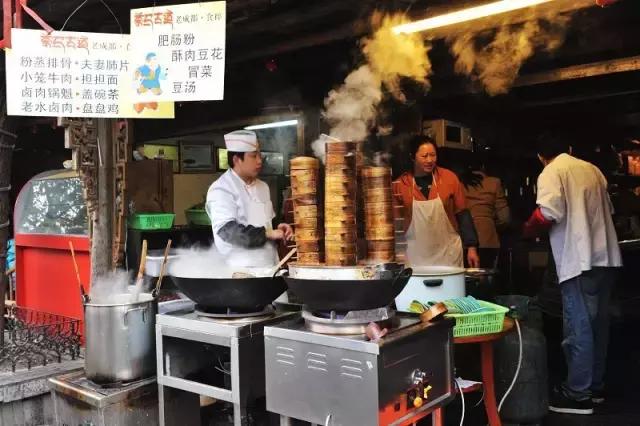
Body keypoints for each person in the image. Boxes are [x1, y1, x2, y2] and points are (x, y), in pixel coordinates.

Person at [523, 134, 622, 415]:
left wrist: (528, 230)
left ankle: (578, 393)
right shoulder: (592, 169)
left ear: (541, 157)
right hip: (606, 258)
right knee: (598, 327)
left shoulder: (551, 171)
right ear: (568, 148)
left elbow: (547, 214)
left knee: (578, 328)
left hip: (579, 261)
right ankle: (595, 386)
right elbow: (608, 210)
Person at [206, 130, 293, 268]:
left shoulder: (263, 187)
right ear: (236, 160)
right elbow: (228, 231)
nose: (259, 161)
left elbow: (265, 220)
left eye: (259, 154)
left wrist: (278, 227)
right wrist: (268, 234)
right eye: (253, 156)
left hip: (270, 266)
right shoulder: (221, 189)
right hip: (240, 271)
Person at [393, 135, 480, 268]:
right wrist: (399, 252)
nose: (429, 160)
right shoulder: (400, 184)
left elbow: (463, 214)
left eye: (433, 155)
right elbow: (396, 224)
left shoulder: (449, 178)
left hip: (448, 254)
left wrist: (472, 247)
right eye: (424, 156)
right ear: (412, 157)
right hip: (415, 257)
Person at [460, 156, 511, 269]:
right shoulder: (494, 183)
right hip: (488, 238)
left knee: (465, 280)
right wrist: (491, 224)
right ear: (483, 167)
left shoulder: (459, 184)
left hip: (464, 240)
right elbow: (504, 218)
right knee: (487, 278)